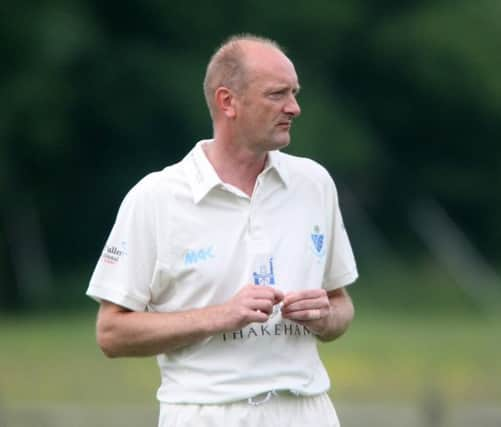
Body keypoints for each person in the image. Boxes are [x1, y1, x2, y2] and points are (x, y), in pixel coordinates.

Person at [86, 34, 358, 427]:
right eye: (277, 94)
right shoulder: (156, 198)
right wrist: (221, 316)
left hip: (308, 410)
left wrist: (323, 316)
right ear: (227, 101)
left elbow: (341, 304)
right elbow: (111, 333)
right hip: (207, 413)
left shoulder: (314, 183)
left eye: (295, 93)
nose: (294, 107)